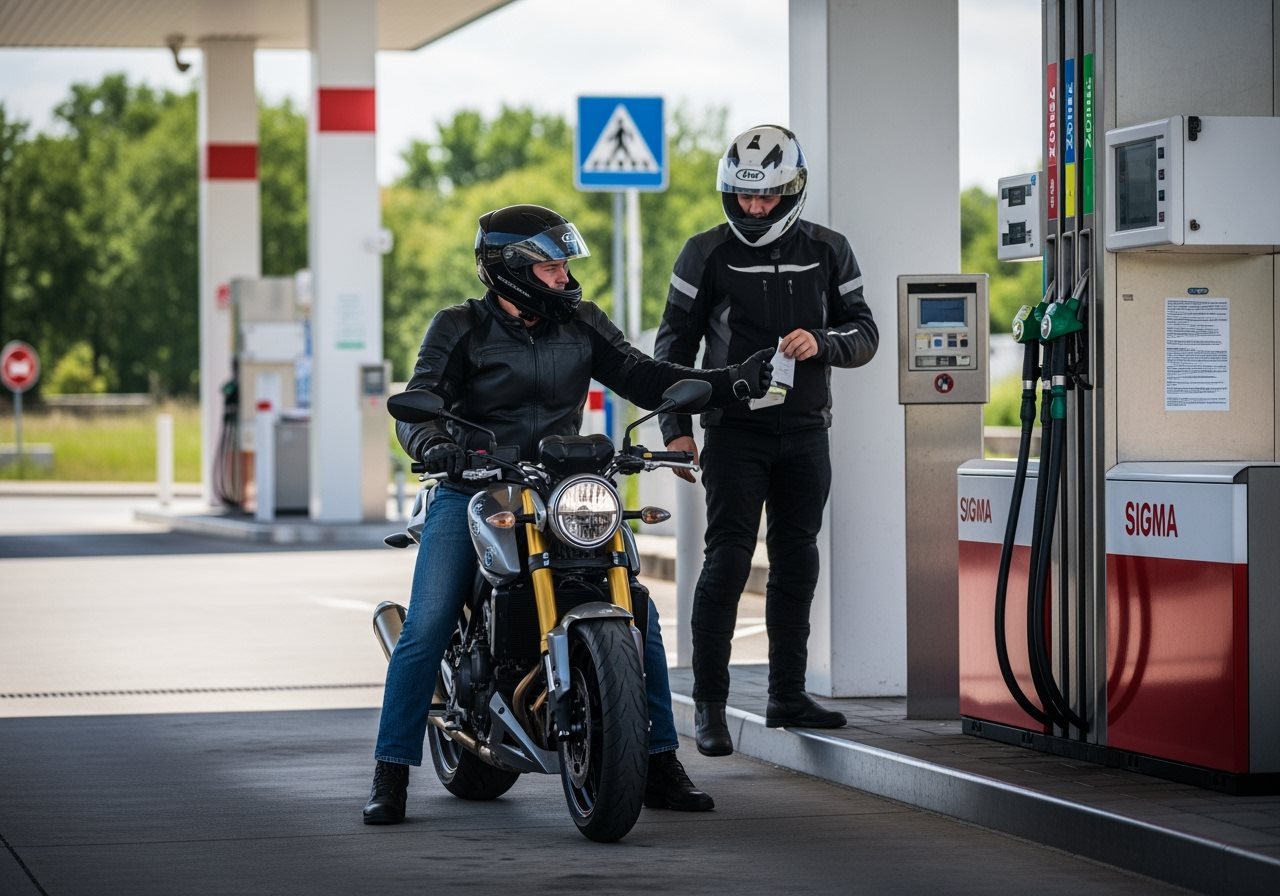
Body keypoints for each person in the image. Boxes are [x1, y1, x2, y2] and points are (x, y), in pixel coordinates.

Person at [363, 203, 775, 824]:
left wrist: (728, 382)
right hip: (475, 487)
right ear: (511, 270)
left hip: (564, 489)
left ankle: (658, 759)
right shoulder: (459, 328)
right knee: (427, 624)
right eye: (552, 266)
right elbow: (422, 409)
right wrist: (438, 449)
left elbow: (643, 374)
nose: (564, 276)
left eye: (563, 265)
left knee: (637, 610)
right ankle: (390, 773)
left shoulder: (581, 321)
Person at [653, 124, 879, 757]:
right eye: (744, 197)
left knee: (797, 559)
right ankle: (710, 708)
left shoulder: (830, 249)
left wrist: (824, 342)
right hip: (734, 433)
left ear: (793, 191)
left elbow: (865, 334)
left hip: (807, 432)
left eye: (768, 198)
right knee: (725, 562)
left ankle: (786, 694)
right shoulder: (704, 252)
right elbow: (672, 346)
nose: (755, 209)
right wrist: (676, 429)